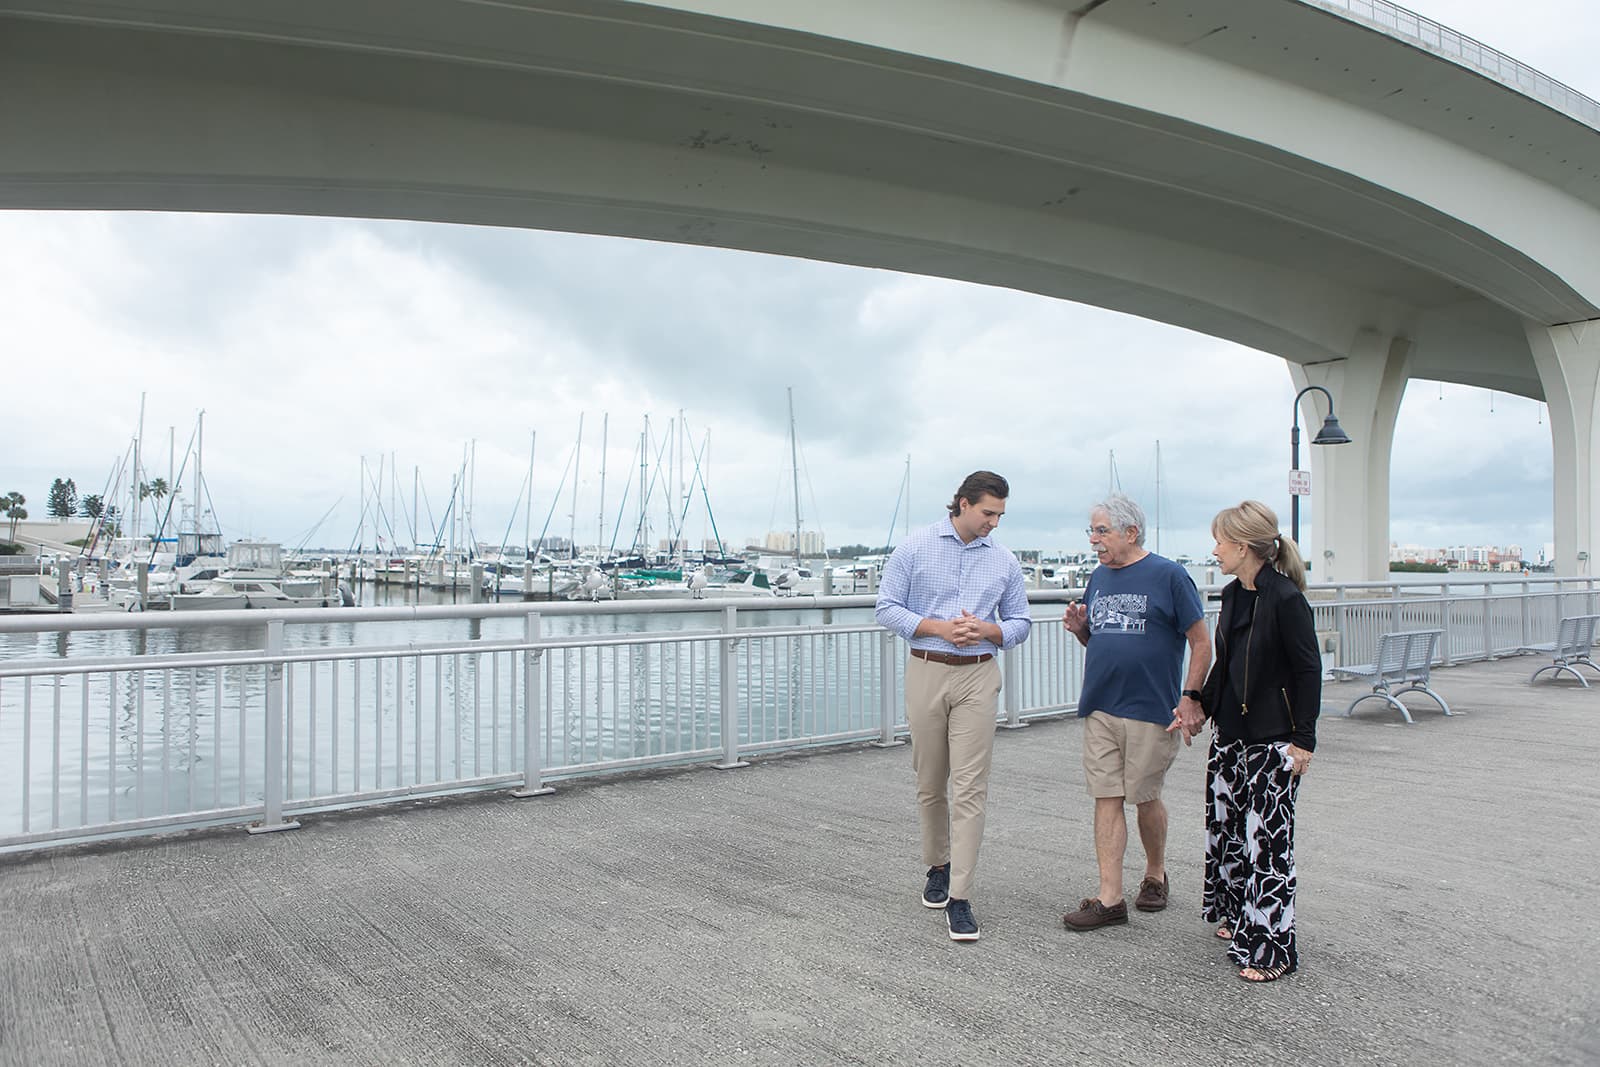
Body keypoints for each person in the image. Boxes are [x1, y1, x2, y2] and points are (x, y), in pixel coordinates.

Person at [875, 470, 1033, 942]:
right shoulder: (915, 547)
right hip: (926, 668)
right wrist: (940, 628)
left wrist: (989, 631)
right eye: (988, 513)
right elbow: (886, 607)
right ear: (962, 504)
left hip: (979, 675)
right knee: (930, 781)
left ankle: (961, 896)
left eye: (1000, 515)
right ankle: (937, 866)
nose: (994, 523)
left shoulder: (1004, 561)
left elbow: (1021, 620)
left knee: (970, 787)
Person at [1060, 493, 1210, 931]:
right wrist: (1081, 630)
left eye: (1101, 531)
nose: (1093, 540)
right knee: (1105, 796)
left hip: (1151, 708)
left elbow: (1202, 642)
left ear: (1130, 532)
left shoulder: (1169, 576)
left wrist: (1191, 697)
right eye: (1091, 531)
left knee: (1144, 796)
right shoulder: (1099, 577)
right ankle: (1110, 899)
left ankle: (1155, 873)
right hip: (1101, 704)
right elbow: (1104, 639)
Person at [1192, 500, 1320, 982]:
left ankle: (1273, 951)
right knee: (1227, 836)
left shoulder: (1286, 599)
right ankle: (1237, 916)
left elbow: (1309, 670)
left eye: (1220, 541)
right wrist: (1200, 706)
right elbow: (1226, 663)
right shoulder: (1233, 594)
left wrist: (1303, 741)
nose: (1215, 550)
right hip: (1231, 739)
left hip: (1273, 741)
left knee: (1267, 844)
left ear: (1243, 547)